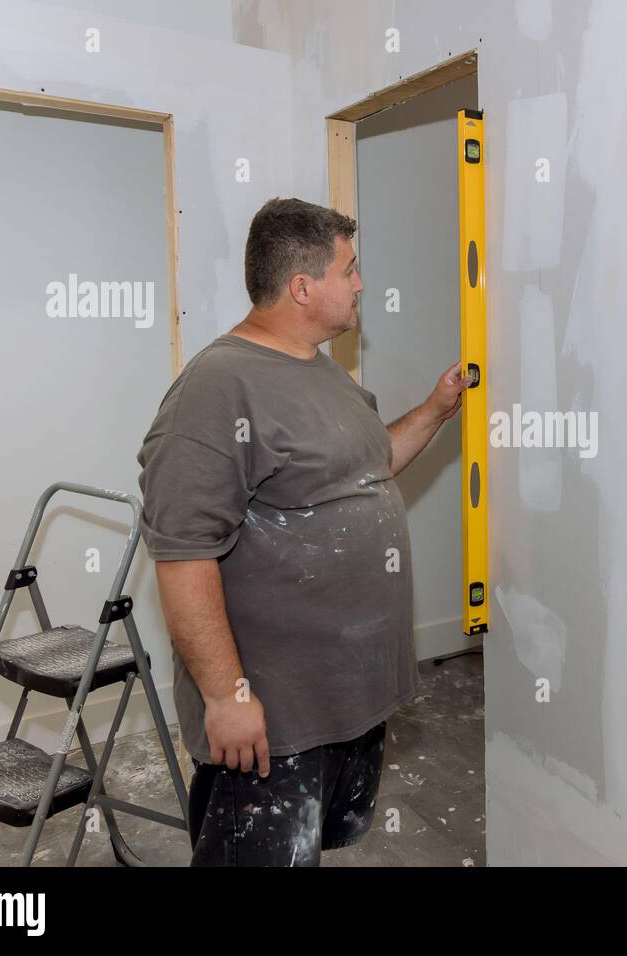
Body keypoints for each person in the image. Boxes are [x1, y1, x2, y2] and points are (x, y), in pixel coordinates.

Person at [136, 197, 469, 865]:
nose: (361, 285)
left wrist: (436, 409)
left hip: (346, 702)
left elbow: (369, 465)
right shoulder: (218, 386)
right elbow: (182, 556)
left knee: (313, 850)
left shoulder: (323, 371)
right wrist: (228, 699)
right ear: (302, 286)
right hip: (275, 722)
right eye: (350, 269)